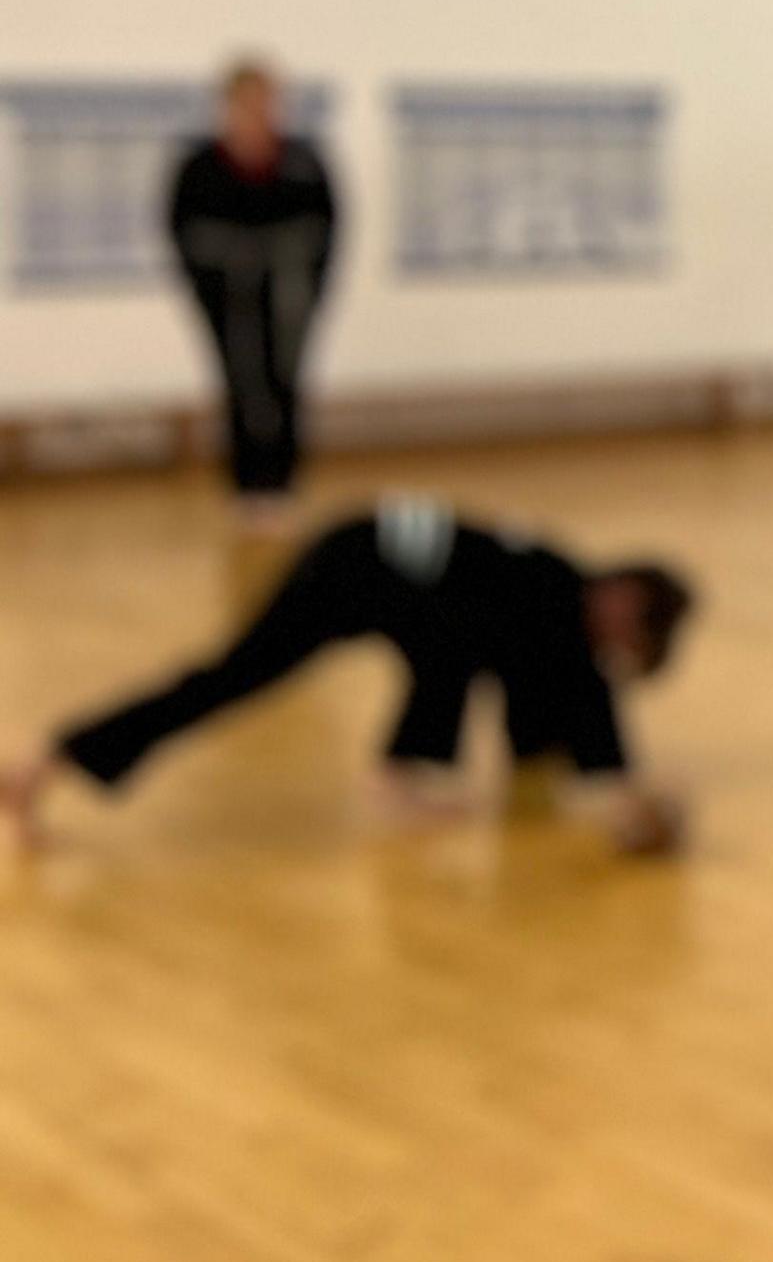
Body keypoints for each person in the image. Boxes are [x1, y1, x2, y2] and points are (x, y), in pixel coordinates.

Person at [4, 496, 699, 858]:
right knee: (234, 676)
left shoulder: (550, 594)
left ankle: (400, 778)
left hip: (387, 572)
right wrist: (629, 789)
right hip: (354, 565)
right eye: (632, 636)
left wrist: (603, 781)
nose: (616, 650)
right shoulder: (552, 596)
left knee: (450, 646)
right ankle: (49, 760)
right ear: (624, 601)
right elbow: (583, 700)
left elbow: (557, 699)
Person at [170, 54, 339, 521]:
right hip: (227, 297)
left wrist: (299, 273)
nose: (259, 112)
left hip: (288, 293)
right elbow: (182, 231)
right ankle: (245, 481)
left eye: (267, 102)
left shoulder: (302, 162)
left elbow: (327, 228)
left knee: (286, 378)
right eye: (248, 103)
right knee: (240, 381)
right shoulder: (200, 167)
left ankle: (283, 480)